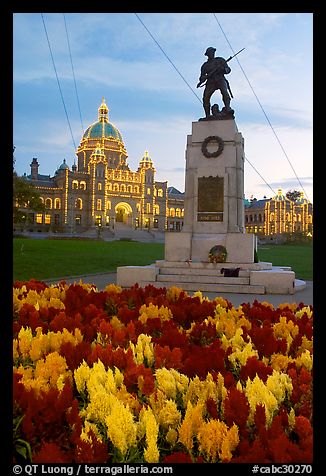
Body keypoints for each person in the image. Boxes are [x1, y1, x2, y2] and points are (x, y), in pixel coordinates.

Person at [197, 47, 233, 118]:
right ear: (207, 54)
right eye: (210, 53)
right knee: (205, 98)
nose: (212, 54)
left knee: (225, 92)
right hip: (211, 82)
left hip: (220, 79)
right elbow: (201, 77)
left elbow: (228, 70)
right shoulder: (205, 65)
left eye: (213, 52)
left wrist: (223, 69)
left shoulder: (220, 60)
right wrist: (203, 78)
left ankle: (228, 108)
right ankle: (207, 115)